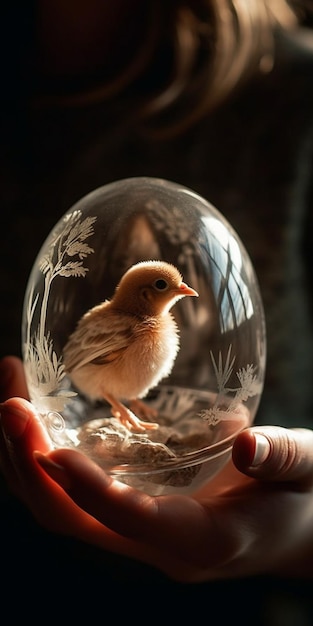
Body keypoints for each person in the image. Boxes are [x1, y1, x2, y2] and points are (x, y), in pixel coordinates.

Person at [1, 0, 313, 603]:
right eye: (168, 287)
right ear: (145, 293)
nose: (183, 294)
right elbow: (75, 364)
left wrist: (302, 536)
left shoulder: (292, 104)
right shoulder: (124, 325)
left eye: (178, 285)